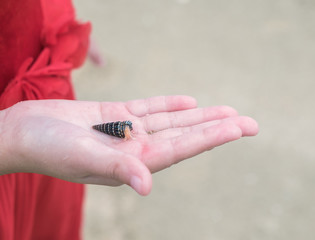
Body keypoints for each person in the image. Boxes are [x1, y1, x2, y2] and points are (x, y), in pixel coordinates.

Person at [0, 0, 259, 239]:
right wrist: (10, 138)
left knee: (46, 218)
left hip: (40, 85)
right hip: (20, 131)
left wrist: (55, 16)